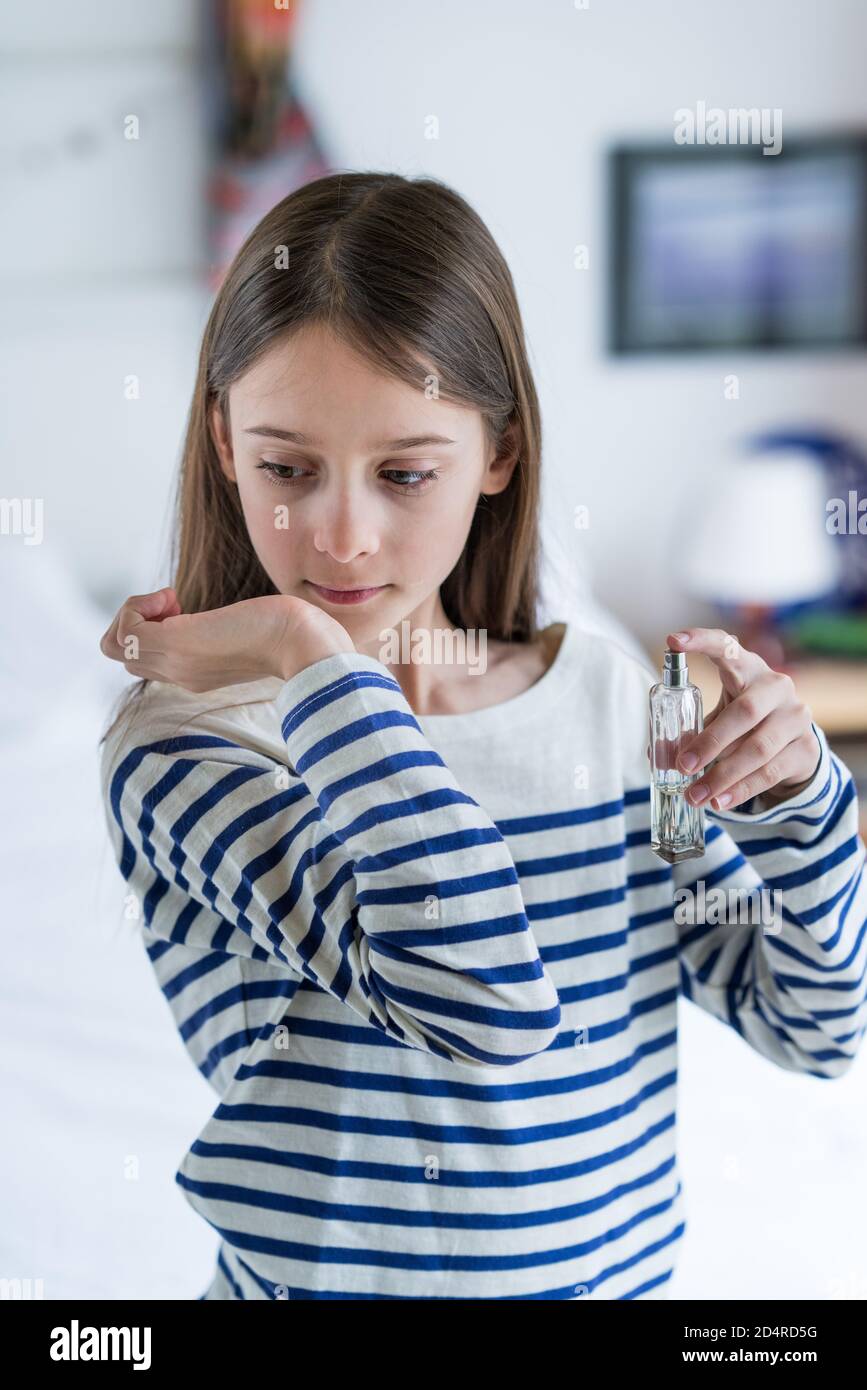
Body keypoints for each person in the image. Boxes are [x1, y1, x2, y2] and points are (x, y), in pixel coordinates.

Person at [98, 171, 866, 1301]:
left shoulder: (609, 705)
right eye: (285, 468)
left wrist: (806, 800)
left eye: (406, 472)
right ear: (222, 443)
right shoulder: (190, 742)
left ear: (498, 455)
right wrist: (311, 659)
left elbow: (817, 1030)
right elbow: (483, 1001)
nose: (343, 537)